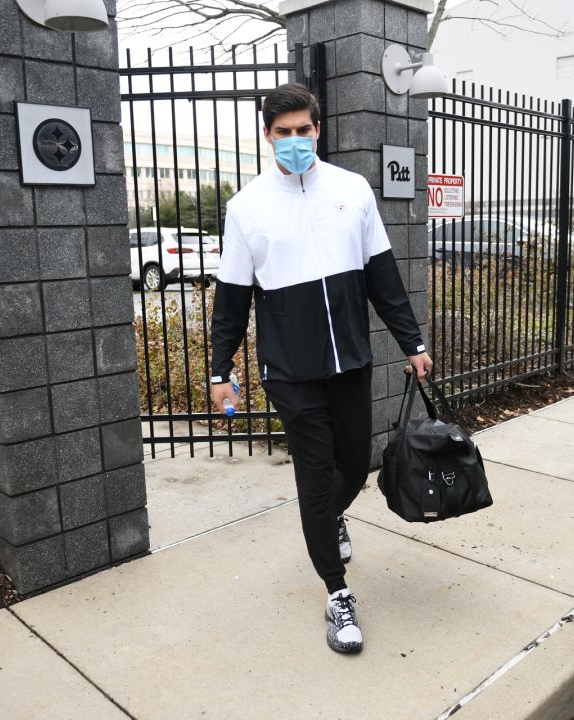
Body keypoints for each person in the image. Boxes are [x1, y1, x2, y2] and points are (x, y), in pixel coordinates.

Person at [209, 82, 433, 655]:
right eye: (281, 133)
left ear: (318, 129)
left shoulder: (352, 190)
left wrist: (412, 341)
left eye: (302, 130)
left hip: (350, 362)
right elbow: (231, 301)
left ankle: (326, 521)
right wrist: (219, 370)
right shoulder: (246, 208)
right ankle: (337, 593)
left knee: (356, 463)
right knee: (314, 476)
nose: (293, 141)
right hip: (290, 371)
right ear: (267, 136)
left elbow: (383, 277)